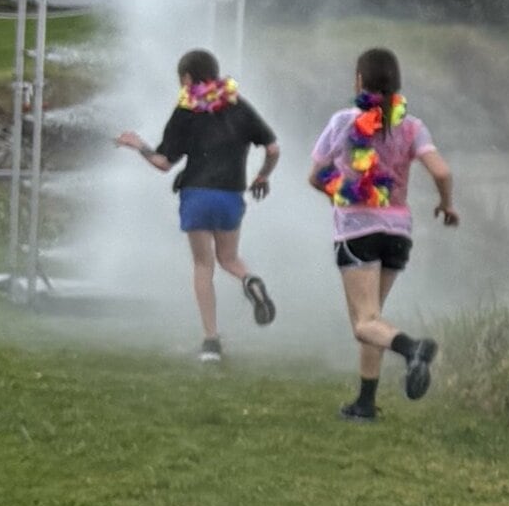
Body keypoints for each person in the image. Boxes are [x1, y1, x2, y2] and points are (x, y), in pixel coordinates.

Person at [309, 45, 458, 420]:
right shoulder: (411, 126)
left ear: (359, 80)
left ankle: (413, 350)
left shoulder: (344, 121)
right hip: (398, 234)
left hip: (358, 231)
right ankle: (364, 404)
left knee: (364, 323)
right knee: (374, 320)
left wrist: (342, 192)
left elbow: (316, 175)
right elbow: (441, 171)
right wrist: (446, 204)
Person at [115, 47, 279, 363]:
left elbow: (163, 163)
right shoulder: (239, 107)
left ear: (188, 79)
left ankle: (210, 342)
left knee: (203, 266)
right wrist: (262, 177)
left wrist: (138, 145)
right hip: (231, 195)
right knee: (229, 258)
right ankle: (250, 281)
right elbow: (272, 148)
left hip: (197, 195)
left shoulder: (186, 111)